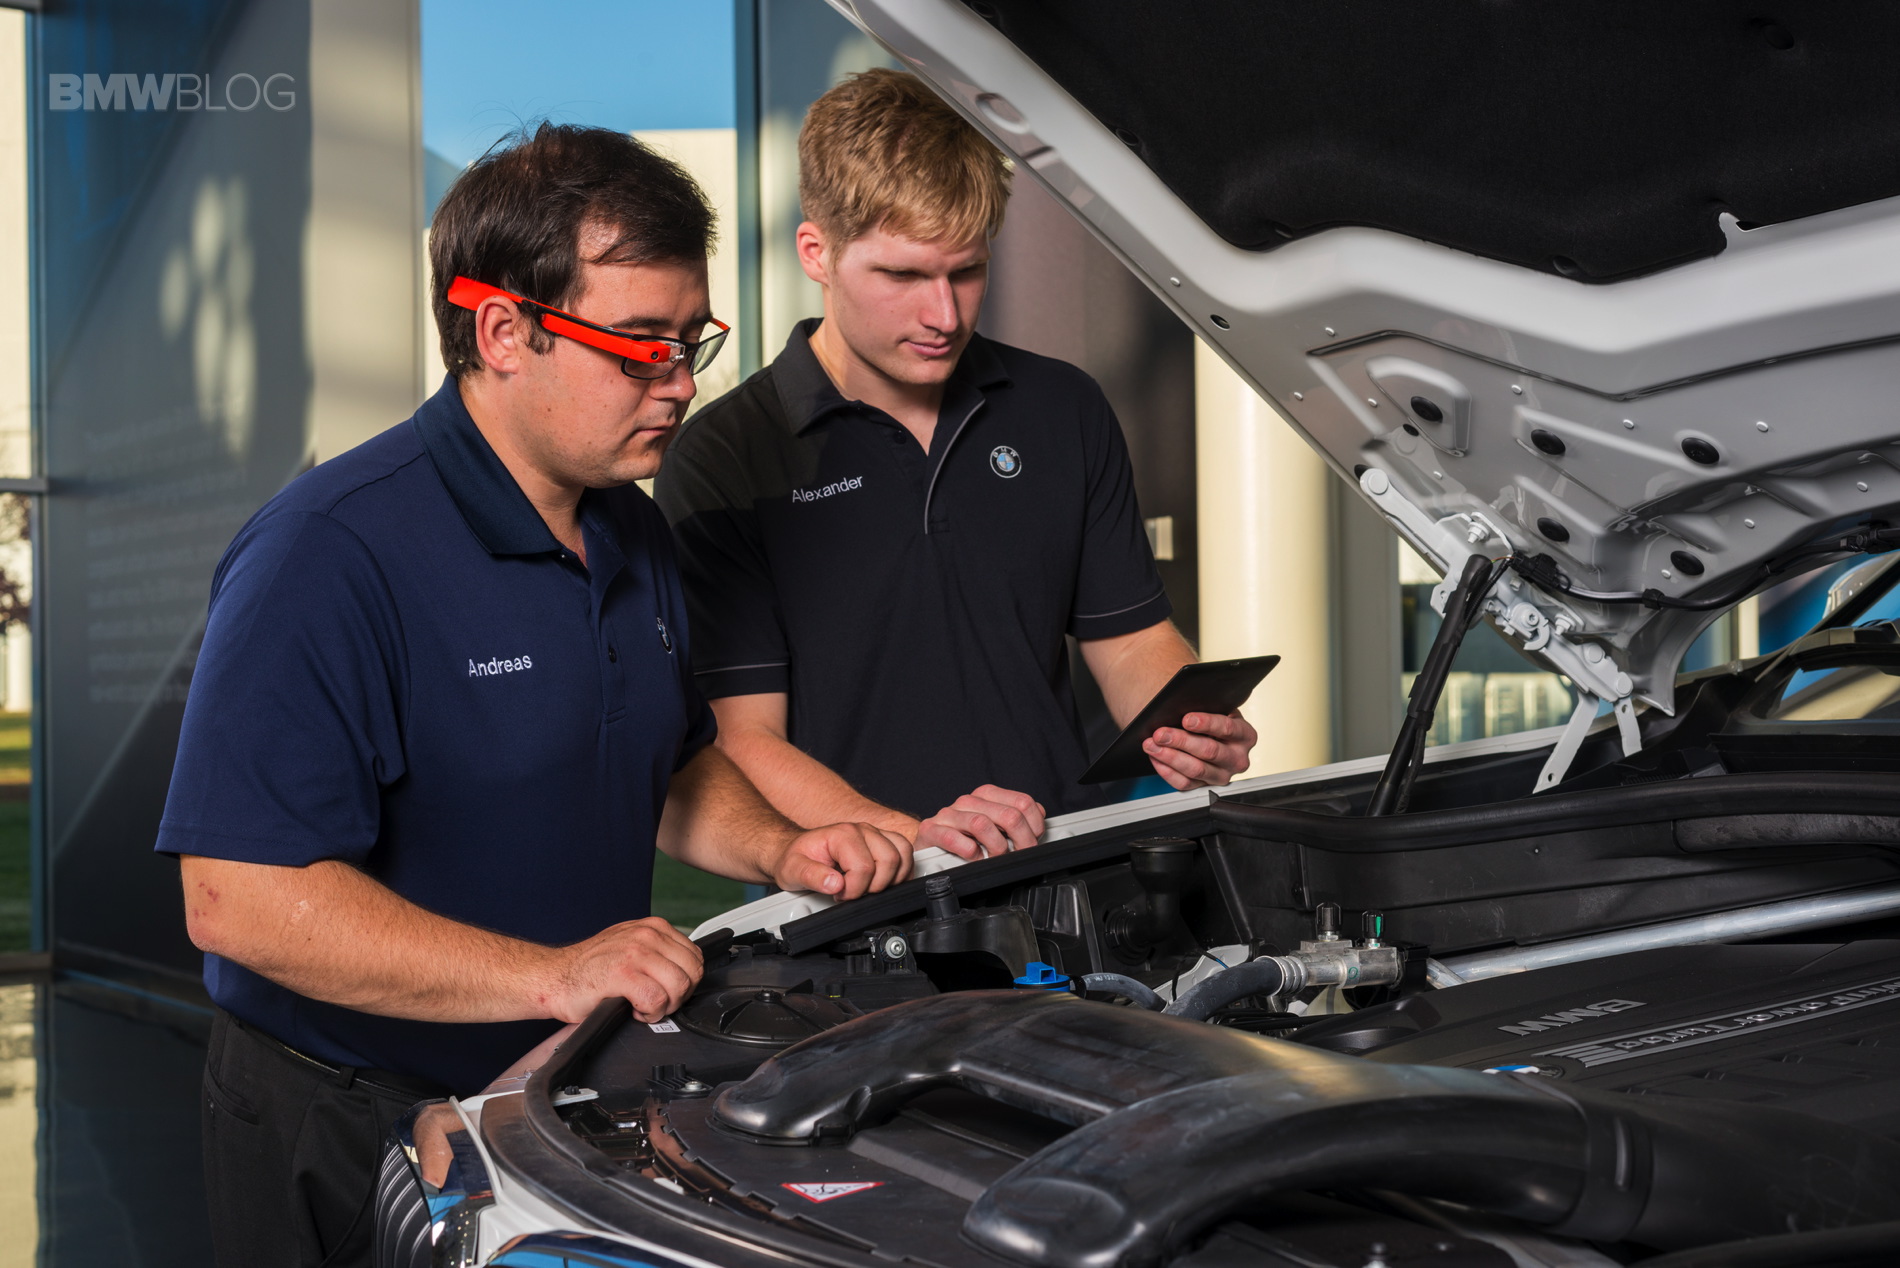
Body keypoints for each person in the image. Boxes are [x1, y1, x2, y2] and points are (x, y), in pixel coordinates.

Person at [156, 123, 912, 1268]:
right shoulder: (327, 550)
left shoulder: (632, 527)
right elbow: (237, 898)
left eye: (690, 341)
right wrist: (552, 973)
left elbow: (665, 757)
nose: (679, 383)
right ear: (503, 331)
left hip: (553, 1086)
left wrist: (781, 845)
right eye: (639, 347)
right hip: (352, 1115)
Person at [654, 70, 1258, 863]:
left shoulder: (1063, 408)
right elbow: (742, 739)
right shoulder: (726, 460)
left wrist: (1187, 726)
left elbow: (1131, 641)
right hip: (855, 904)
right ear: (816, 253)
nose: (944, 315)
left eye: (967, 271)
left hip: (1063, 869)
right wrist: (921, 842)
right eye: (903, 275)